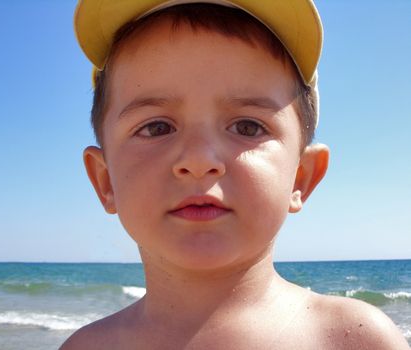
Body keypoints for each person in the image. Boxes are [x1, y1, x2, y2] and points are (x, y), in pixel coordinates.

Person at [61, 0, 409, 348]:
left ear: (302, 177)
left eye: (247, 126)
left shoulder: (356, 339)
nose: (199, 160)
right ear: (105, 182)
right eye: (156, 128)